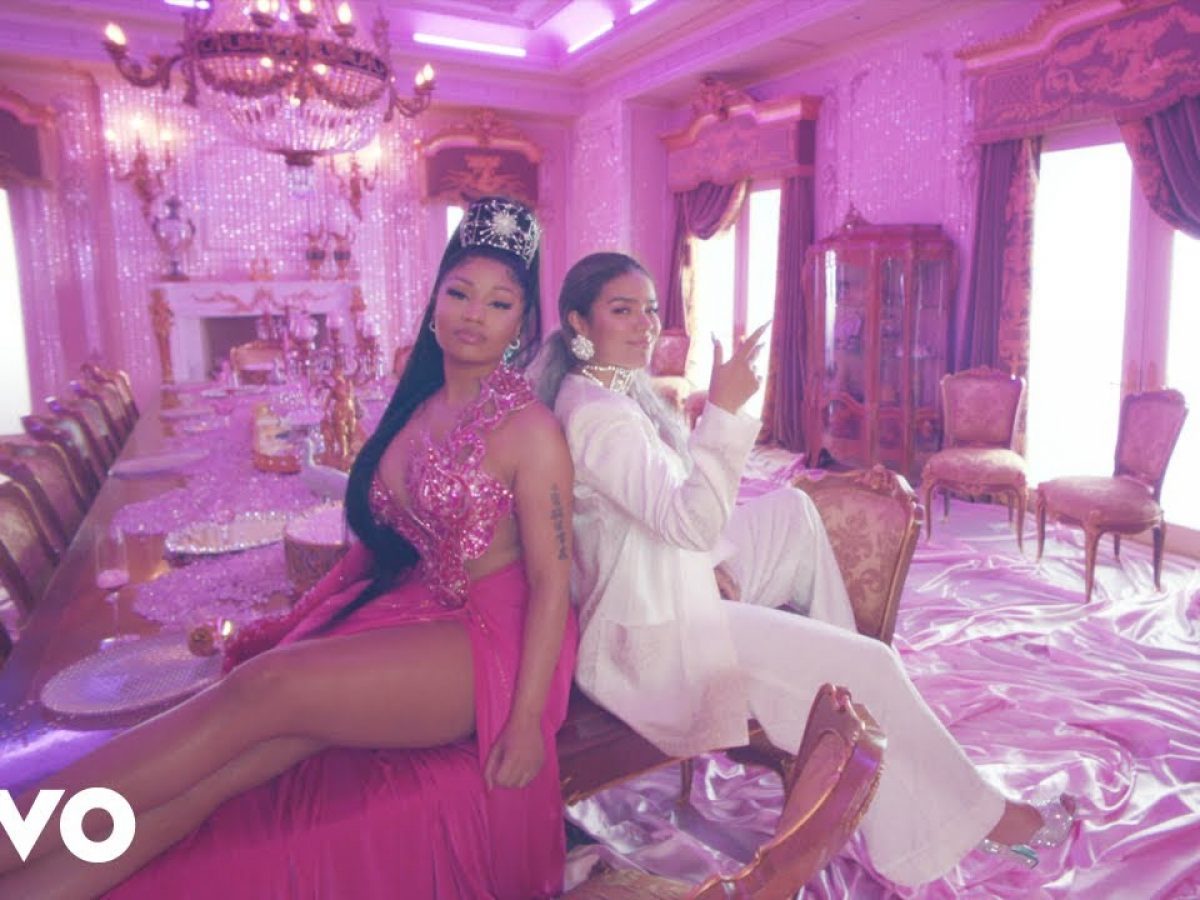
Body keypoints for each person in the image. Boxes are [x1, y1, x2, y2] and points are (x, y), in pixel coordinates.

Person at [0, 197, 579, 900]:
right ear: (434, 302)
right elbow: (387, 540)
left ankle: (10, 834)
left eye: (499, 302)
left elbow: (553, 581)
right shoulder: (418, 405)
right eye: (460, 292)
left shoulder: (530, 430)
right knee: (219, 775)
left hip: (492, 643)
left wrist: (526, 720)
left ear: (522, 322)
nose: (474, 314)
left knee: (260, 688)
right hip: (416, 612)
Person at [532, 251, 1074, 887]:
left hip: (660, 582)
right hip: (649, 637)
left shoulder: (608, 390)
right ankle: (992, 816)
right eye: (622, 310)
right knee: (875, 665)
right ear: (579, 322)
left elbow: (652, 523)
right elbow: (688, 521)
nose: (645, 324)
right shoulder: (599, 416)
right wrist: (723, 410)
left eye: (650, 308)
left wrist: (705, 566)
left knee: (792, 512)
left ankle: (841, 718)